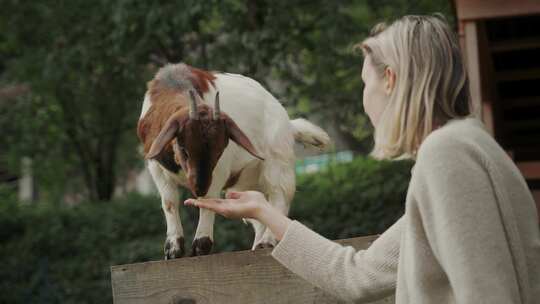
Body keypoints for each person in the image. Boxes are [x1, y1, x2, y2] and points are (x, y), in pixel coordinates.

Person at [184, 14, 540, 303]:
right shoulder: (472, 148)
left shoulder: (447, 154)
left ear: (389, 79)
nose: (364, 99)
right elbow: (359, 276)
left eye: (364, 84)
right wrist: (264, 211)